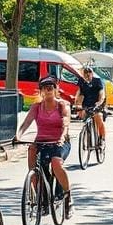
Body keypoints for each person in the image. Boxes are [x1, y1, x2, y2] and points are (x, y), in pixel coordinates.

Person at [15, 76, 73, 213]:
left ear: (55, 89)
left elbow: (66, 121)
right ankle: (40, 197)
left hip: (59, 141)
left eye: (50, 88)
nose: (48, 91)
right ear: (40, 91)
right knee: (31, 150)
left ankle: (68, 196)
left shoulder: (62, 105)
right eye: (44, 88)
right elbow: (26, 122)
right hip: (42, 141)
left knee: (56, 164)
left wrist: (63, 135)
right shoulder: (36, 107)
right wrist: (18, 135)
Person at [74, 66, 106, 145]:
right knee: (82, 114)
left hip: (97, 104)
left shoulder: (97, 81)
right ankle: (87, 133)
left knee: (98, 117)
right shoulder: (81, 81)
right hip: (86, 104)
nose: (87, 74)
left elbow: (102, 94)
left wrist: (99, 102)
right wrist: (77, 104)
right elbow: (79, 93)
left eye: (89, 72)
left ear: (92, 73)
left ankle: (102, 138)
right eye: (85, 72)